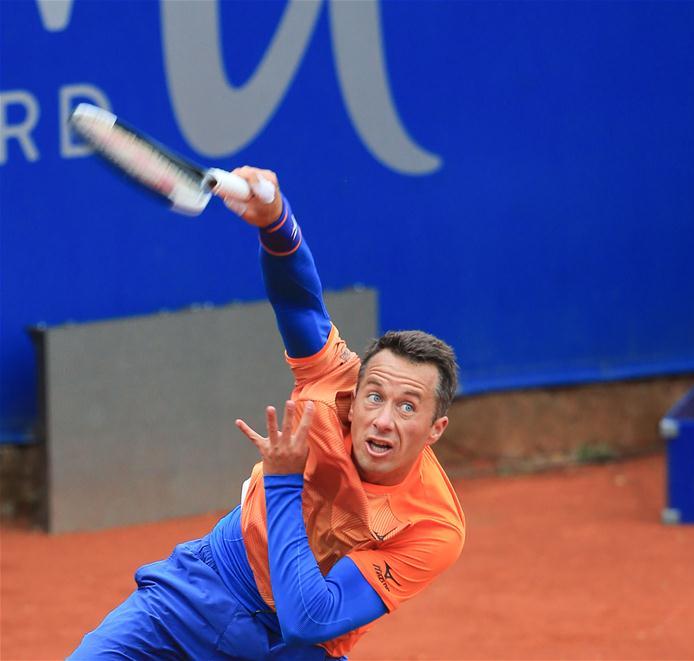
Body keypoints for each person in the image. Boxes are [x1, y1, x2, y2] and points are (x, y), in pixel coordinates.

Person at [71, 167, 466, 660]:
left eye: (408, 407)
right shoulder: (332, 378)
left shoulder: (432, 527)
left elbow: (310, 620)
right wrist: (277, 222)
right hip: (205, 587)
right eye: (374, 396)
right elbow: (299, 303)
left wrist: (282, 481)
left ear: (435, 429)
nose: (384, 419)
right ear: (357, 387)